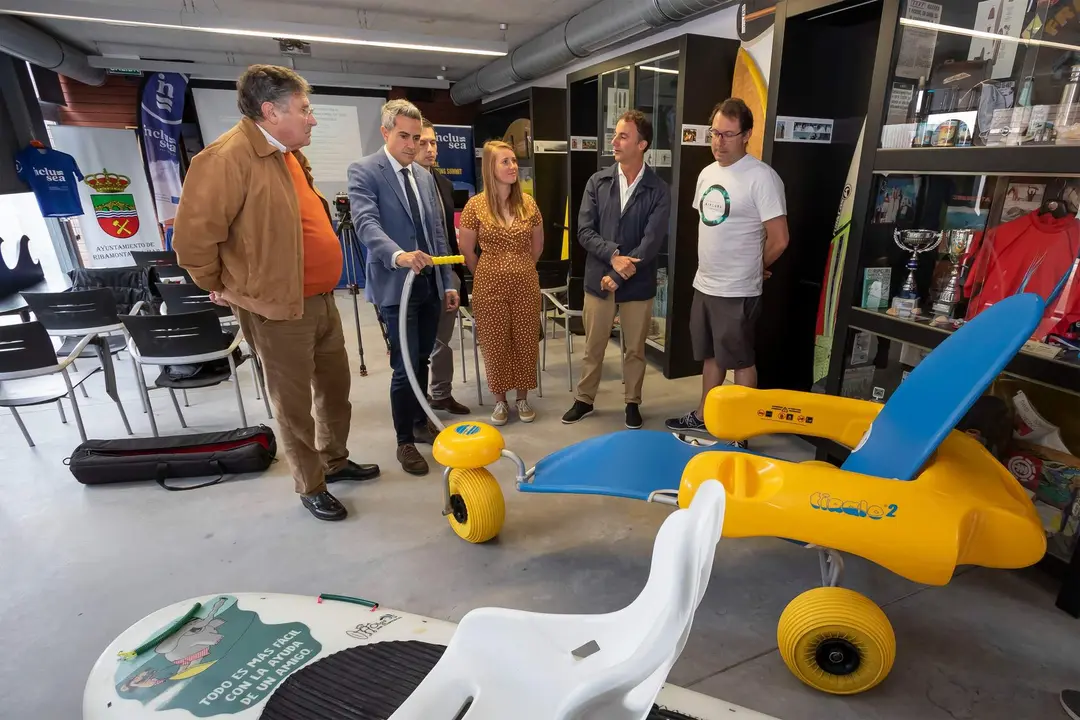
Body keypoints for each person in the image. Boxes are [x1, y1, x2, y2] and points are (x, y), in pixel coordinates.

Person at [173, 64, 379, 523]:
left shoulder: (289, 154)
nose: (312, 119)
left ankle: (335, 460)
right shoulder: (224, 160)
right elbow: (192, 242)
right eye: (305, 109)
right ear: (271, 110)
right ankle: (311, 484)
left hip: (321, 298)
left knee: (335, 390)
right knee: (293, 405)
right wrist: (221, 286)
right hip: (275, 308)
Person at [665, 98, 790, 441]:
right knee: (710, 356)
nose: (719, 142)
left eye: (728, 135)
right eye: (715, 133)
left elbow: (779, 239)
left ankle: (741, 428)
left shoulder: (761, 178)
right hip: (705, 284)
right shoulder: (707, 173)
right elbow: (709, 226)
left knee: (740, 361)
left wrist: (755, 266)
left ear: (747, 134)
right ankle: (706, 415)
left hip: (737, 291)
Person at [347, 100, 458, 476]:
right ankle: (403, 442)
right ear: (385, 133)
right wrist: (399, 256)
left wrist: (447, 281)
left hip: (428, 285)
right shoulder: (365, 171)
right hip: (396, 285)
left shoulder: (424, 176)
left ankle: (419, 420)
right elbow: (366, 224)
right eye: (404, 137)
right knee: (403, 364)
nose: (412, 145)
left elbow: (437, 234)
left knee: (422, 356)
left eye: (416, 137)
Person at [562, 110, 671, 429]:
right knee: (593, 345)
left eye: (623, 136)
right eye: (615, 135)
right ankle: (584, 399)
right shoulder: (598, 181)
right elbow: (583, 230)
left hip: (637, 283)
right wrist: (613, 256)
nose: (615, 141)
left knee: (635, 349)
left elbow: (652, 242)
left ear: (642, 144)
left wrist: (622, 271)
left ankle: (632, 402)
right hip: (599, 280)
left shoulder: (659, 189)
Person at [457, 140, 543, 425]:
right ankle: (500, 401)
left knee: (525, 341)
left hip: (525, 283)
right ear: (490, 168)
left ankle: (522, 397)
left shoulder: (528, 203)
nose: (512, 166)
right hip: (488, 285)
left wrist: (519, 266)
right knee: (495, 343)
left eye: (514, 161)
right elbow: (468, 252)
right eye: (505, 162)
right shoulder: (475, 206)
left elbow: (537, 246)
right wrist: (489, 270)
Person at [416, 119, 470, 416]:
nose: (429, 148)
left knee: (442, 339)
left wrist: (453, 275)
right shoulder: (403, 183)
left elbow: (445, 233)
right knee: (419, 343)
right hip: (414, 274)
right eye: (422, 142)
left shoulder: (444, 183)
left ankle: (441, 394)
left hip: (446, 270)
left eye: (433, 142)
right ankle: (417, 402)